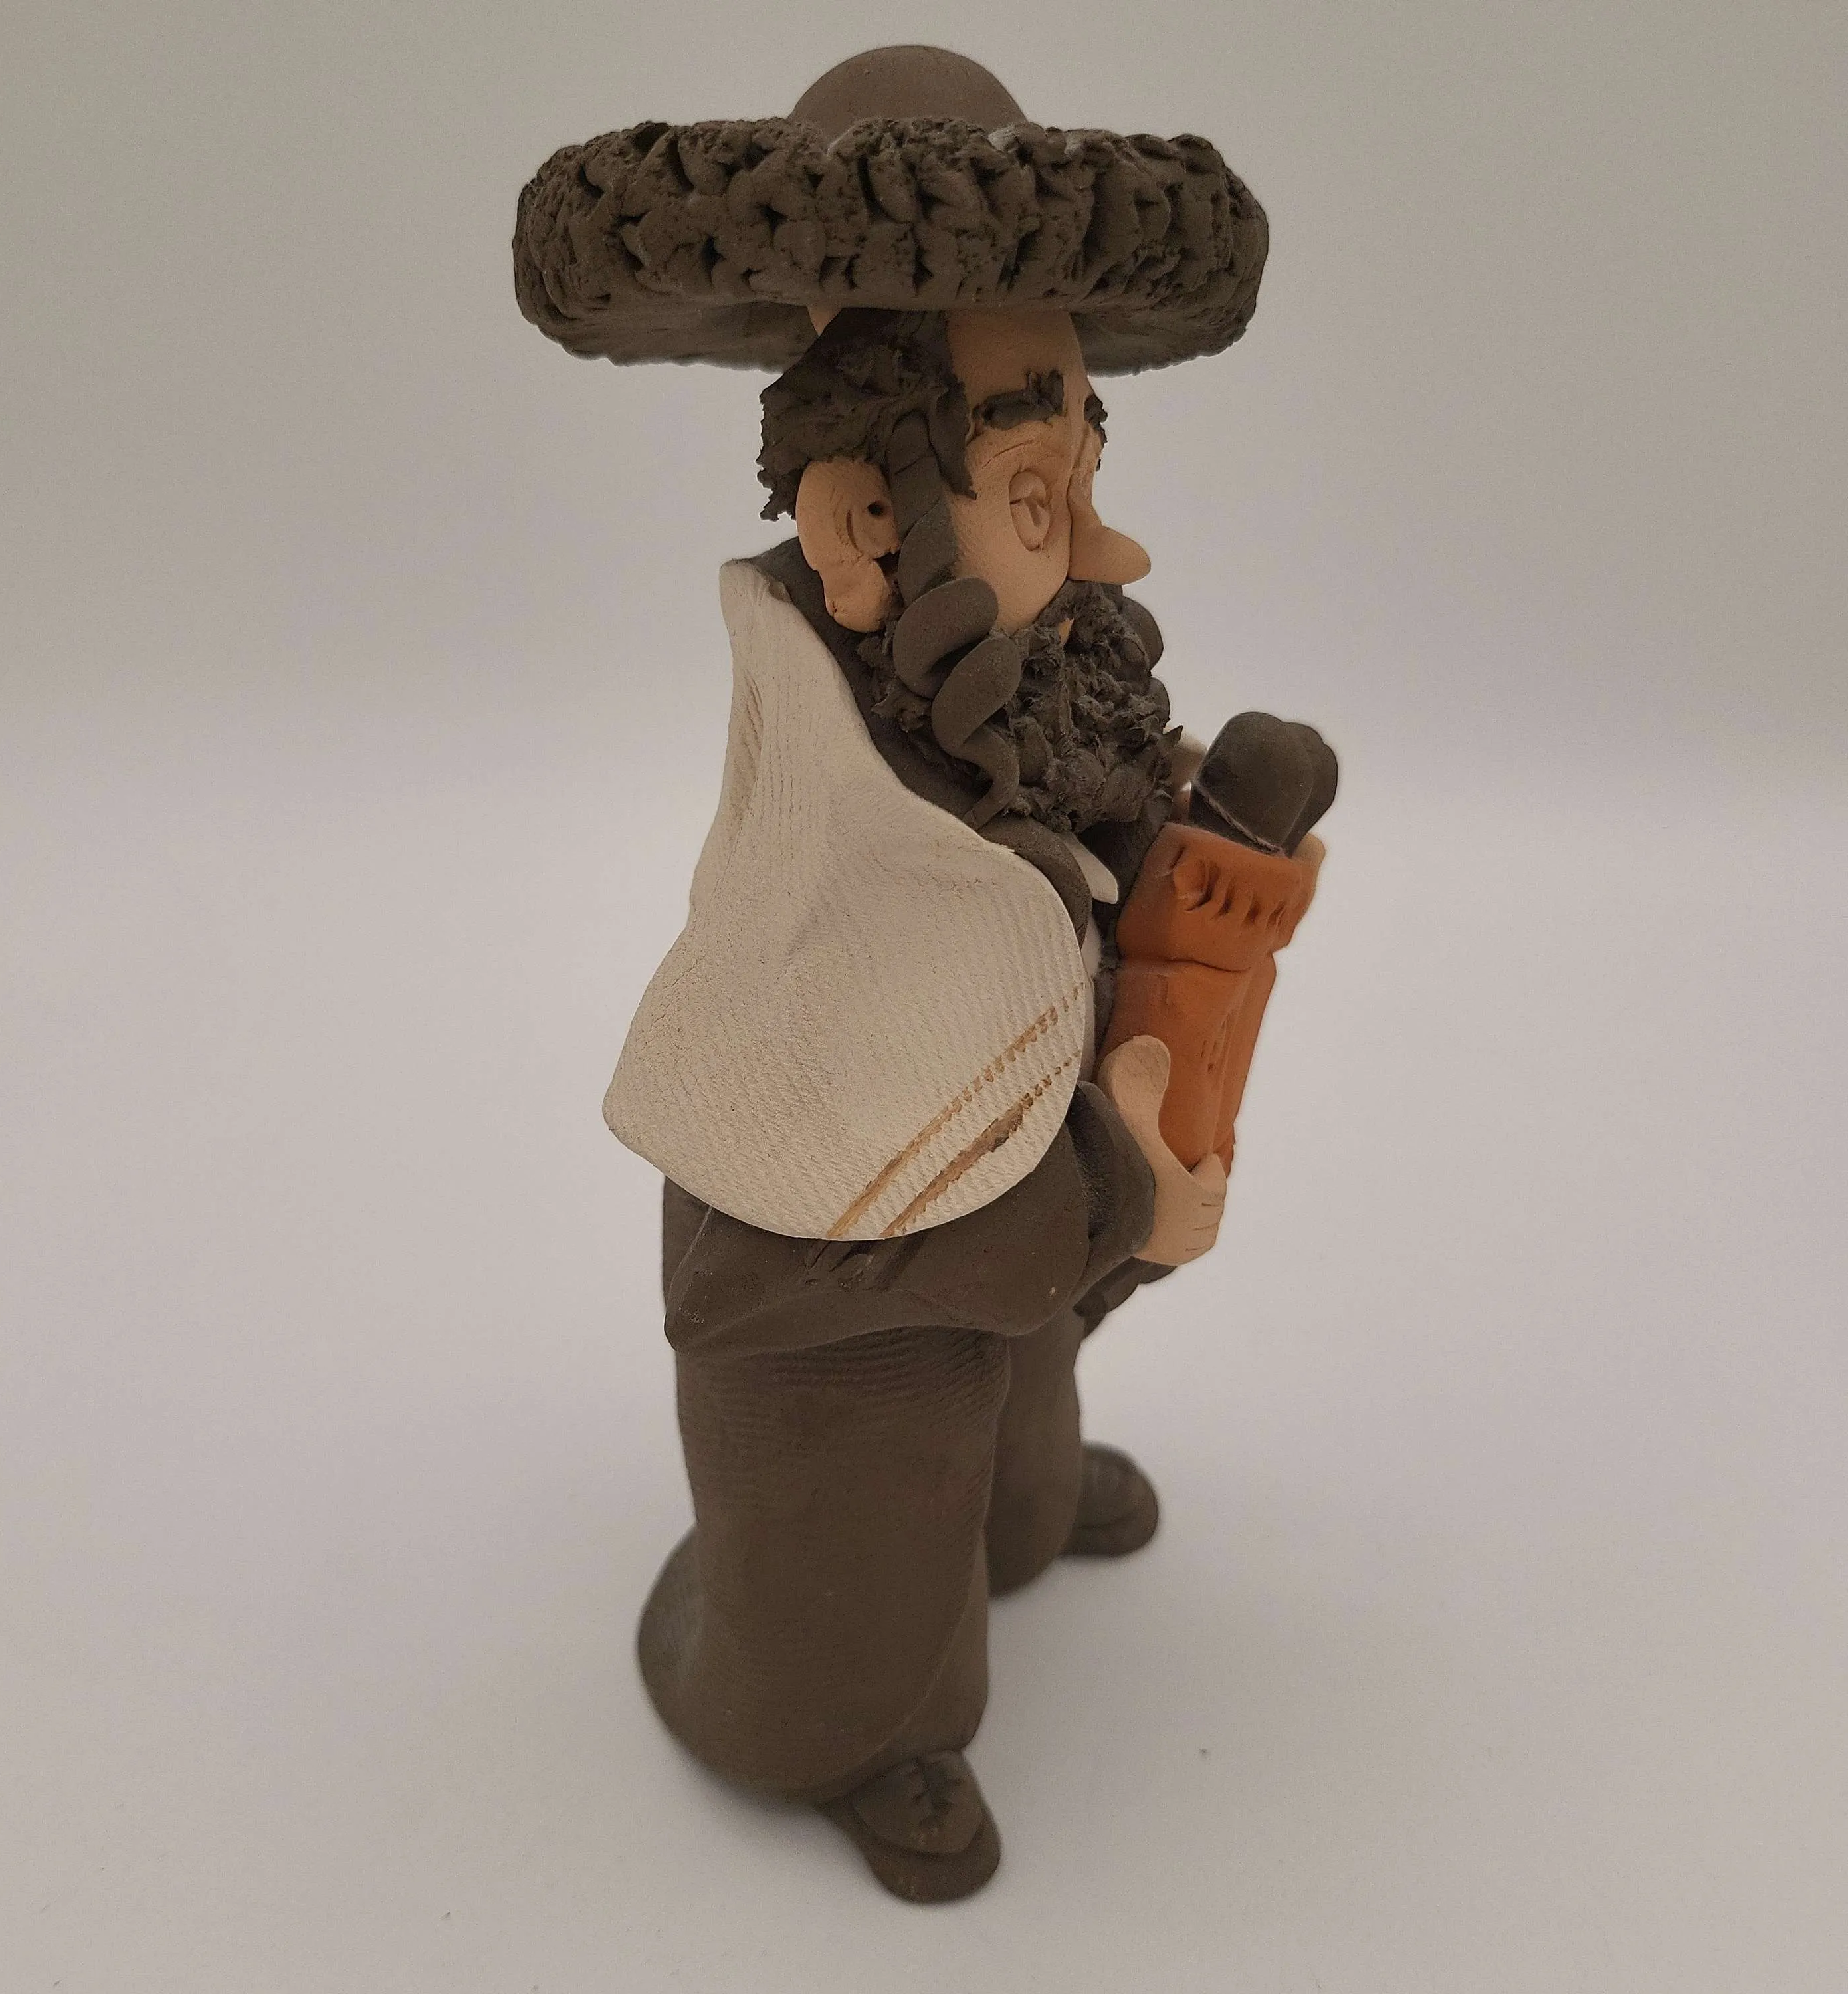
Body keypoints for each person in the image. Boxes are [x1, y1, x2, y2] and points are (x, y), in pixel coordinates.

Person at [512, 45, 1332, 1901]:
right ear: (864, 531)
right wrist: (1115, 1195)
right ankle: (850, 1724)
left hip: (1019, 1236)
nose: (1109, 546)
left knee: (1015, 1434)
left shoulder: (1012, 716)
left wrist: (1210, 852)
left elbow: (1081, 874)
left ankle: (1015, 1516)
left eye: (1089, 467)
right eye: (1039, 493)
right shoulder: (825, 859)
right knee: (873, 1549)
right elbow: (786, 1256)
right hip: (841, 1333)